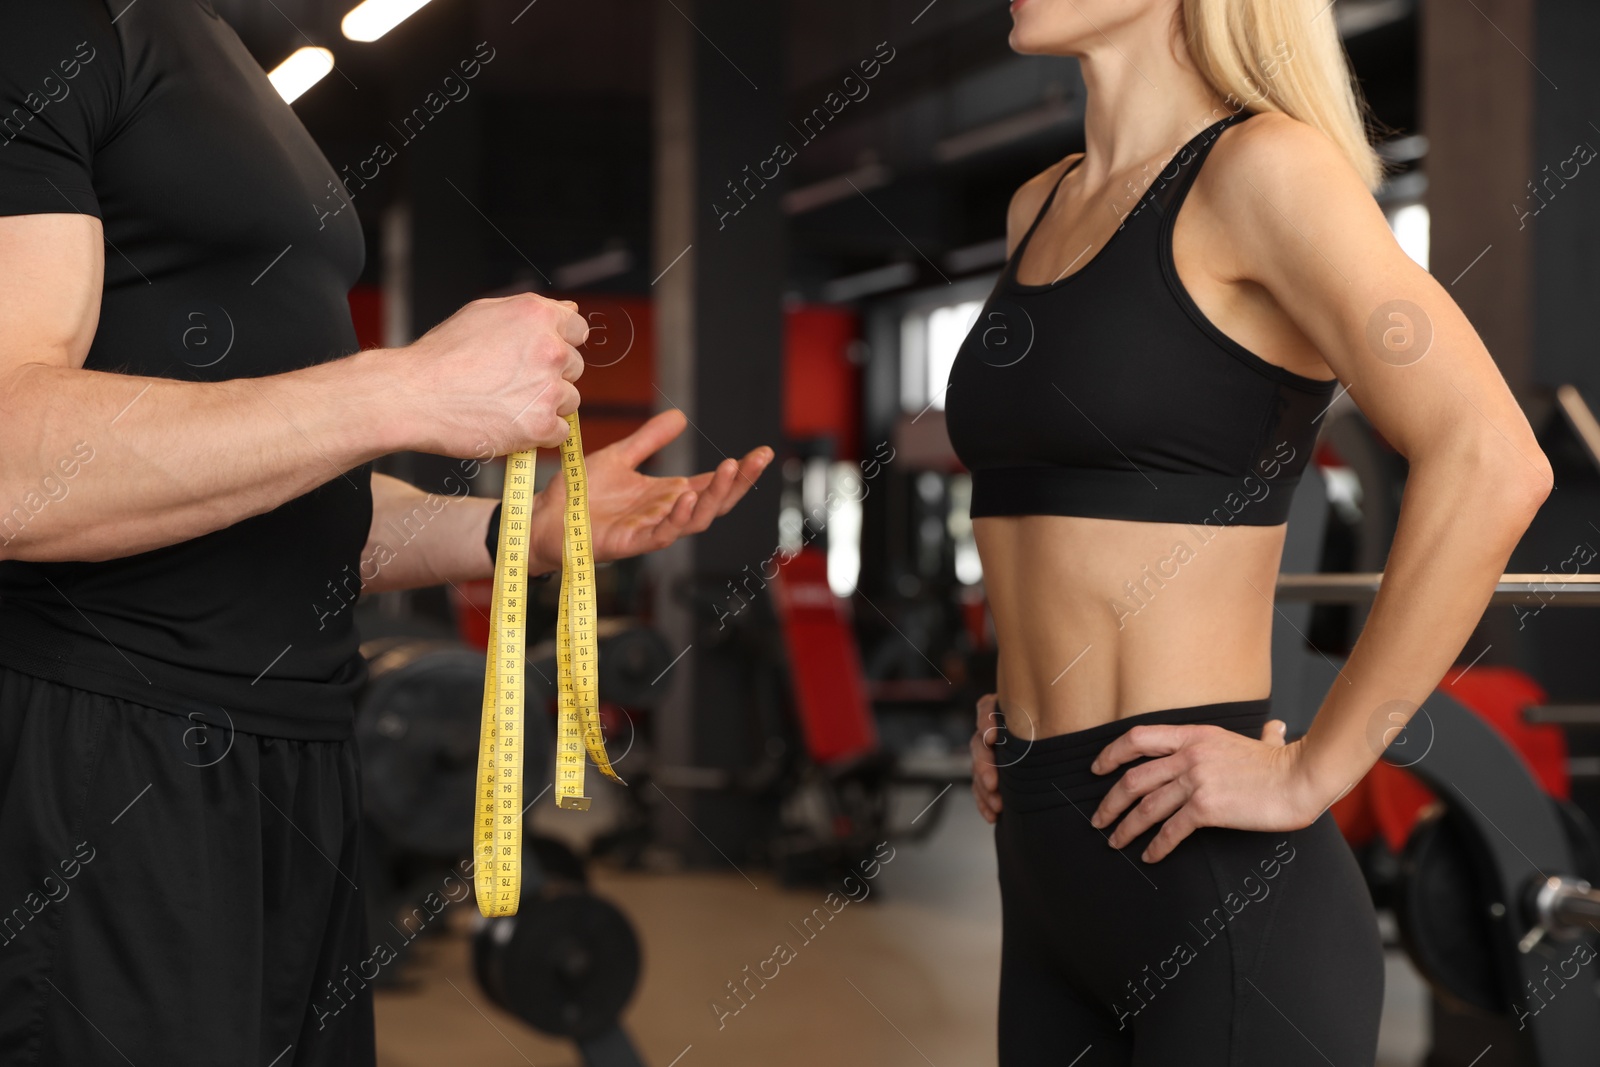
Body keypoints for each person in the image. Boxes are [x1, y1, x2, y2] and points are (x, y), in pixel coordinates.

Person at [0, 0, 772, 1064]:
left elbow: (285, 505)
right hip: (110, 756)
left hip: (294, 762)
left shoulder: (212, 49)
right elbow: (13, 468)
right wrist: (404, 389)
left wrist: (524, 530)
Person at [954, 0, 1550, 1063]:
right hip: (1043, 857)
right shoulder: (1038, 205)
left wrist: (1314, 770)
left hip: (1211, 881)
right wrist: (1024, 698)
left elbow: (1493, 457)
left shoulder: (1262, 172)